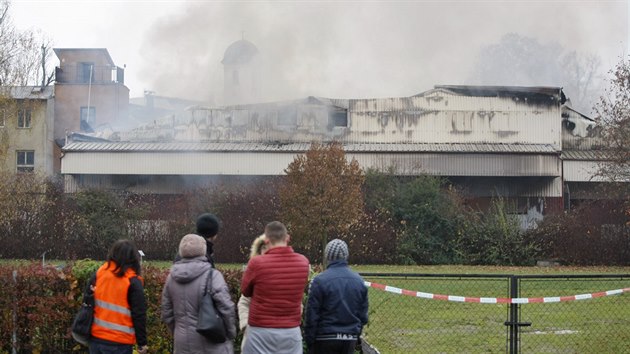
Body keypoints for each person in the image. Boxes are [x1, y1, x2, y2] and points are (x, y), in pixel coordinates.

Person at [240, 221, 310, 354]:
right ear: (287, 238)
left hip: (260, 331)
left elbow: (245, 291)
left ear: (266, 240)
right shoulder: (303, 262)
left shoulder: (256, 263)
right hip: (290, 330)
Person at [161, 234, 237, 353]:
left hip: (182, 344)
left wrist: (178, 331)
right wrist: (230, 333)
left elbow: (167, 313)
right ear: (203, 250)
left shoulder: (171, 279)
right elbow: (226, 307)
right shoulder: (213, 276)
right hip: (211, 340)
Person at [304, 239, 368, 354]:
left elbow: (311, 315)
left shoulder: (319, 281)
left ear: (327, 256)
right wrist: (355, 334)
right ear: (346, 256)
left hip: (324, 338)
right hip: (349, 339)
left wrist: (310, 341)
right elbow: (363, 316)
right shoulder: (358, 281)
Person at [89, 239, 148, 354]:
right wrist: (142, 343)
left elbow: (88, 300)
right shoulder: (132, 281)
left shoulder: (100, 273)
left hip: (96, 338)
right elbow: (139, 314)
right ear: (133, 258)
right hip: (119, 342)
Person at [237, 234, 268, 351]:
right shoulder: (254, 273)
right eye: (263, 248)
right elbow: (244, 301)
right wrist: (246, 325)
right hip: (255, 333)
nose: (266, 251)